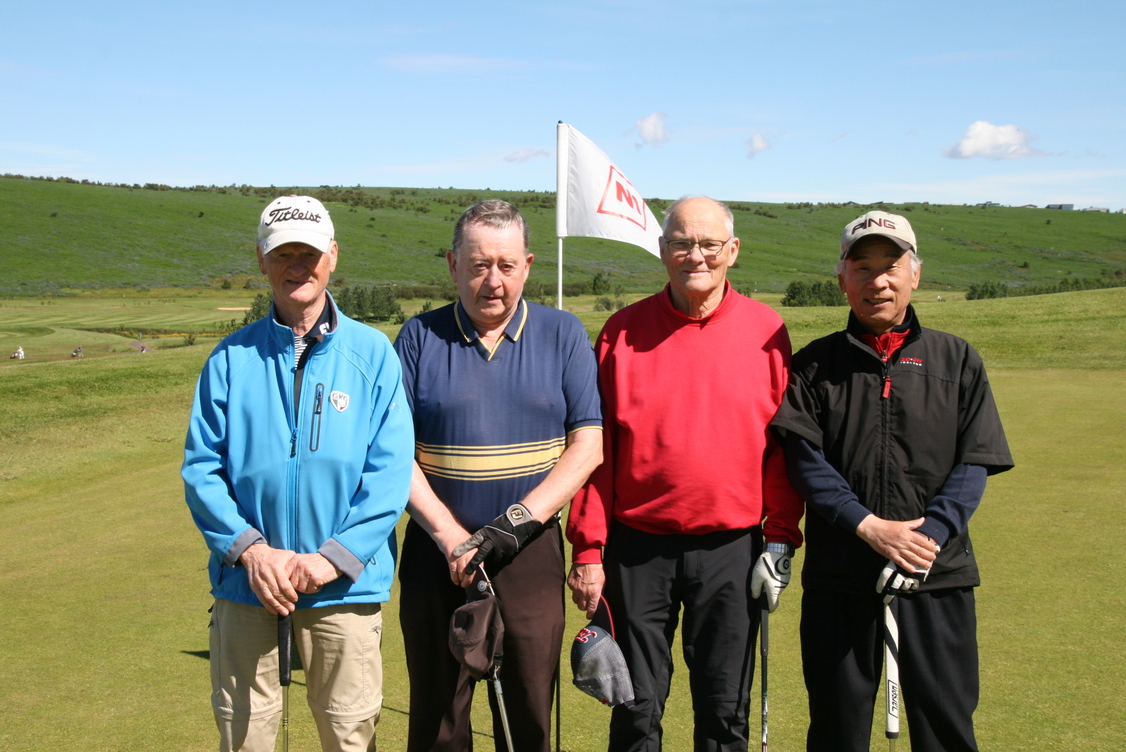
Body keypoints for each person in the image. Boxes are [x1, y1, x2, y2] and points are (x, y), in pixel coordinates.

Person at [770, 210, 1014, 752]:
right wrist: (868, 527)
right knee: (836, 729)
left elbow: (974, 462)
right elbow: (805, 461)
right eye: (862, 267)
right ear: (842, 279)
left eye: (890, 266)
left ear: (915, 275)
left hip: (935, 572)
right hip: (842, 576)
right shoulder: (814, 365)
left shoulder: (958, 360)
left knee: (945, 726)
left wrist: (928, 536)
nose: (877, 281)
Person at [566, 196, 804, 751]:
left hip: (732, 548)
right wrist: (588, 549)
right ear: (662, 250)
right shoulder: (622, 331)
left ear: (733, 250)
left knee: (725, 710)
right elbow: (597, 450)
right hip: (637, 549)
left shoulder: (767, 331)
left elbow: (781, 449)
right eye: (681, 243)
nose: (695, 255)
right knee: (634, 709)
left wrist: (780, 539)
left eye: (709, 244)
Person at [182, 195, 414, 752]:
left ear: (332, 256)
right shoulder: (229, 358)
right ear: (261, 260)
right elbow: (202, 469)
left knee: (349, 736)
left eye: (308, 253)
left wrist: (331, 558)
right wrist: (252, 552)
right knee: (245, 737)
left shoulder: (373, 354)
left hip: (343, 589)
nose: (297, 266)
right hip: (247, 585)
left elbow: (388, 474)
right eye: (283, 253)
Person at [393, 199, 603, 752]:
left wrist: (515, 524)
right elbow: (393, 453)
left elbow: (588, 445)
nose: (493, 281)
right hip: (438, 553)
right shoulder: (418, 337)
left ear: (527, 266)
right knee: (439, 720)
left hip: (528, 552)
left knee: (528, 713)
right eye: (479, 265)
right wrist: (450, 536)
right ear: (452, 265)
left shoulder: (562, 333)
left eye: (506, 266)